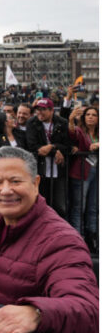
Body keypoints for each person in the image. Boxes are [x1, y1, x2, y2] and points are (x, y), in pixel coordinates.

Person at [0, 146, 98, 333]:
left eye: (15, 181)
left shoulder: (60, 241)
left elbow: (89, 311)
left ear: (36, 183)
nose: (5, 190)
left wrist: (36, 313)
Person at [25, 97, 71, 217]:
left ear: (51, 111)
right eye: (37, 109)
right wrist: (55, 150)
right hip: (40, 170)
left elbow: (67, 146)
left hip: (58, 171)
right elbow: (33, 146)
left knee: (60, 205)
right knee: (40, 204)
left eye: (43, 109)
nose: (39, 112)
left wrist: (52, 147)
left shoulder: (62, 122)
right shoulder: (32, 122)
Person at [67, 105, 98, 248]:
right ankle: (77, 239)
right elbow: (72, 134)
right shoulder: (80, 131)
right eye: (88, 114)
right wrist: (71, 119)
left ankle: (91, 237)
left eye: (94, 115)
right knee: (79, 207)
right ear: (84, 118)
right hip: (81, 172)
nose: (91, 117)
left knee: (93, 206)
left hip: (96, 171)